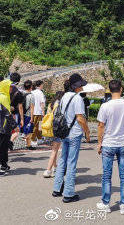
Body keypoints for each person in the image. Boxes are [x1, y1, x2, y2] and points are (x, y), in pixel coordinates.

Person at [96, 79, 124, 215]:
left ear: (109, 90)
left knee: (106, 175)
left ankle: (106, 204)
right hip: (123, 143)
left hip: (108, 143)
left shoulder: (105, 106)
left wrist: (100, 142)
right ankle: (123, 205)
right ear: (121, 89)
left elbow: (101, 126)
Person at [52, 73, 90, 203]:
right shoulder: (77, 98)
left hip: (64, 133)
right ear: (77, 86)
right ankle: (68, 193)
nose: (82, 87)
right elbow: (80, 118)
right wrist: (87, 132)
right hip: (74, 134)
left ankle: (57, 188)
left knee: (63, 160)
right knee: (72, 163)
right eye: (81, 85)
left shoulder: (64, 97)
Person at [43, 90, 65, 178]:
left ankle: (55, 168)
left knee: (54, 149)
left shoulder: (51, 104)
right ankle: (48, 170)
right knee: (55, 150)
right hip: (57, 128)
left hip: (50, 128)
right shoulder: (59, 104)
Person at [9, 72, 24, 150]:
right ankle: (10, 142)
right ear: (18, 81)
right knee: (16, 130)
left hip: (3, 112)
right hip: (14, 114)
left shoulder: (4, 88)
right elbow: (20, 107)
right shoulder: (18, 92)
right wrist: (22, 119)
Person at [31, 80, 46, 146]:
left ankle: (39, 139)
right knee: (37, 127)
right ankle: (32, 139)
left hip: (32, 111)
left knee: (36, 126)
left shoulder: (32, 92)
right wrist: (43, 112)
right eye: (42, 85)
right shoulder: (40, 93)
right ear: (40, 85)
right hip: (38, 111)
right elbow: (42, 103)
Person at [22, 80, 35, 150]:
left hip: (22, 114)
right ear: (31, 87)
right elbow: (32, 107)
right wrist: (32, 118)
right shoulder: (31, 96)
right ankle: (28, 144)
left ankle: (28, 144)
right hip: (28, 114)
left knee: (25, 129)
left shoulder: (22, 94)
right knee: (30, 130)